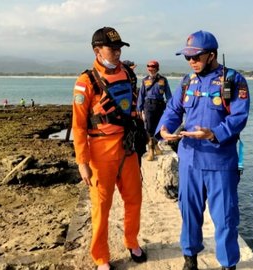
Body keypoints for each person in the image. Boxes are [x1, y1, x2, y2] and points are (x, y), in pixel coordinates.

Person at [155, 30, 250, 270]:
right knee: (189, 213)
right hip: (189, 160)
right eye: (187, 58)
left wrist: (214, 133)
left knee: (226, 218)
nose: (191, 62)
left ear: (211, 55)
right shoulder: (187, 81)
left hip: (220, 161)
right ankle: (190, 259)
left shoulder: (233, 80)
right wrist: (164, 129)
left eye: (196, 57)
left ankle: (228, 264)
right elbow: (174, 109)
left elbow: (239, 116)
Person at [71, 26, 147, 270]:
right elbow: (79, 126)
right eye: (111, 48)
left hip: (127, 148)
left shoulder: (128, 74)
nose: (116, 52)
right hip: (100, 153)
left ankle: (131, 240)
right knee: (101, 207)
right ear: (97, 50)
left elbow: (133, 109)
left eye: (119, 48)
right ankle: (101, 256)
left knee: (135, 198)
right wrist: (82, 162)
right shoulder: (85, 82)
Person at [137, 60, 172, 161]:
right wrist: (139, 108)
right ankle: (151, 150)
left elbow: (168, 95)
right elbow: (141, 95)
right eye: (149, 67)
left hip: (160, 105)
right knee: (149, 128)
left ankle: (156, 146)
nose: (150, 69)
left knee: (159, 127)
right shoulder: (144, 80)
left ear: (157, 68)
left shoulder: (163, 80)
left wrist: (171, 108)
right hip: (148, 106)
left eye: (152, 67)